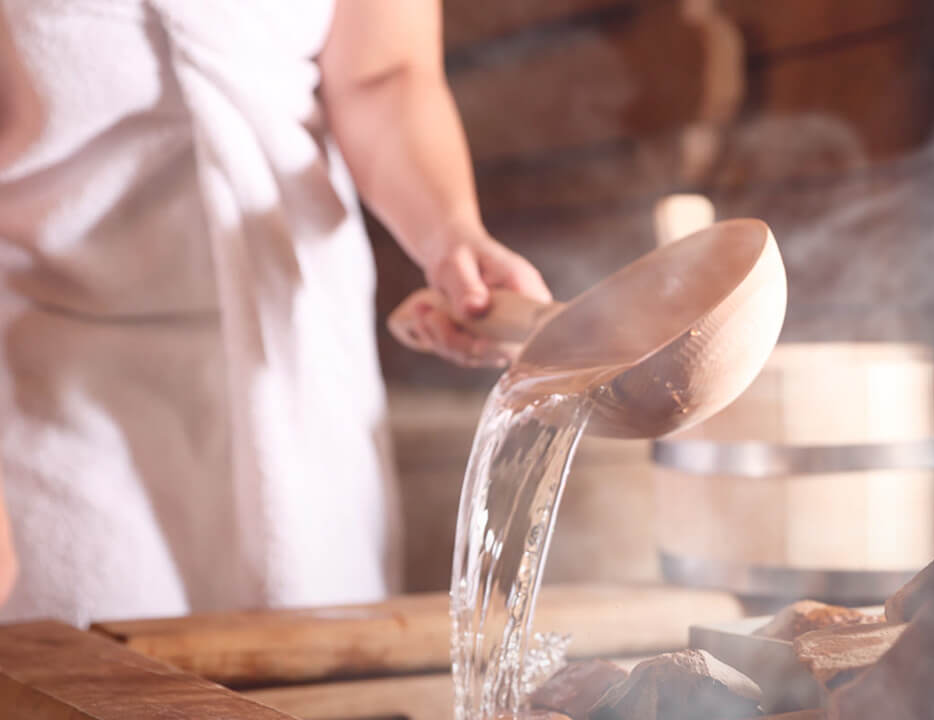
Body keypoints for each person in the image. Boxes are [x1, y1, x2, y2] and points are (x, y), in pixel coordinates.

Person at [0, 0, 550, 624]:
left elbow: (383, 74)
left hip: (296, 347)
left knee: (320, 653)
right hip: (44, 353)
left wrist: (451, 234)